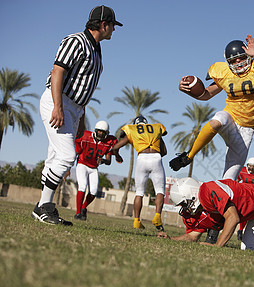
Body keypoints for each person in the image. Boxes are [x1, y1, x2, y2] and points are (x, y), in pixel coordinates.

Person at [32, 5, 122, 225]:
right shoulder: (76, 41)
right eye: (112, 26)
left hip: (74, 108)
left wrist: (80, 116)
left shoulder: (96, 48)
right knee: (65, 157)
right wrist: (58, 106)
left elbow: (83, 88)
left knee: (55, 157)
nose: (113, 30)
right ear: (103, 25)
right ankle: (44, 206)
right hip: (59, 100)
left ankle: (43, 206)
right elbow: (57, 71)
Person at [169, 35, 254, 181]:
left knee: (227, 180)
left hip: (246, 129)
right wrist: (186, 91)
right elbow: (206, 94)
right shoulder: (223, 72)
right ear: (227, 62)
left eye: (241, 58)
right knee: (218, 120)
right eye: (233, 60)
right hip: (230, 117)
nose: (238, 62)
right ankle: (188, 157)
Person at [157, 178, 254, 254]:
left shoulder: (208, 191)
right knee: (249, 248)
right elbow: (192, 236)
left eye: (184, 204)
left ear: (191, 196)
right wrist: (171, 239)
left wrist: (217, 246)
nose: (185, 210)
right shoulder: (202, 207)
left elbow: (233, 218)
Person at [113, 116, 167, 231]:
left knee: (139, 192)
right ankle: (157, 217)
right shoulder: (156, 127)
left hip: (141, 159)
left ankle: (137, 221)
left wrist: (117, 156)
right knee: (160, 190)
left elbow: (115, 147)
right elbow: (164, 151)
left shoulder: (132, 129)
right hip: (156, 158)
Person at [74, 120, 117, 220]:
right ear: (95, 130)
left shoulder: (109, 142)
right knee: (82, 186)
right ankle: (78, 212)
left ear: (107, 133)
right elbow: (76, 144)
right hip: (82, 164)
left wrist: (103, 161)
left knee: (93, 192)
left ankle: (84, 208)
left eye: (103, 132)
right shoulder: (85, 136)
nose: (101, 134)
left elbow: (109, 161)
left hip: (94, 168)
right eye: (99, 131)